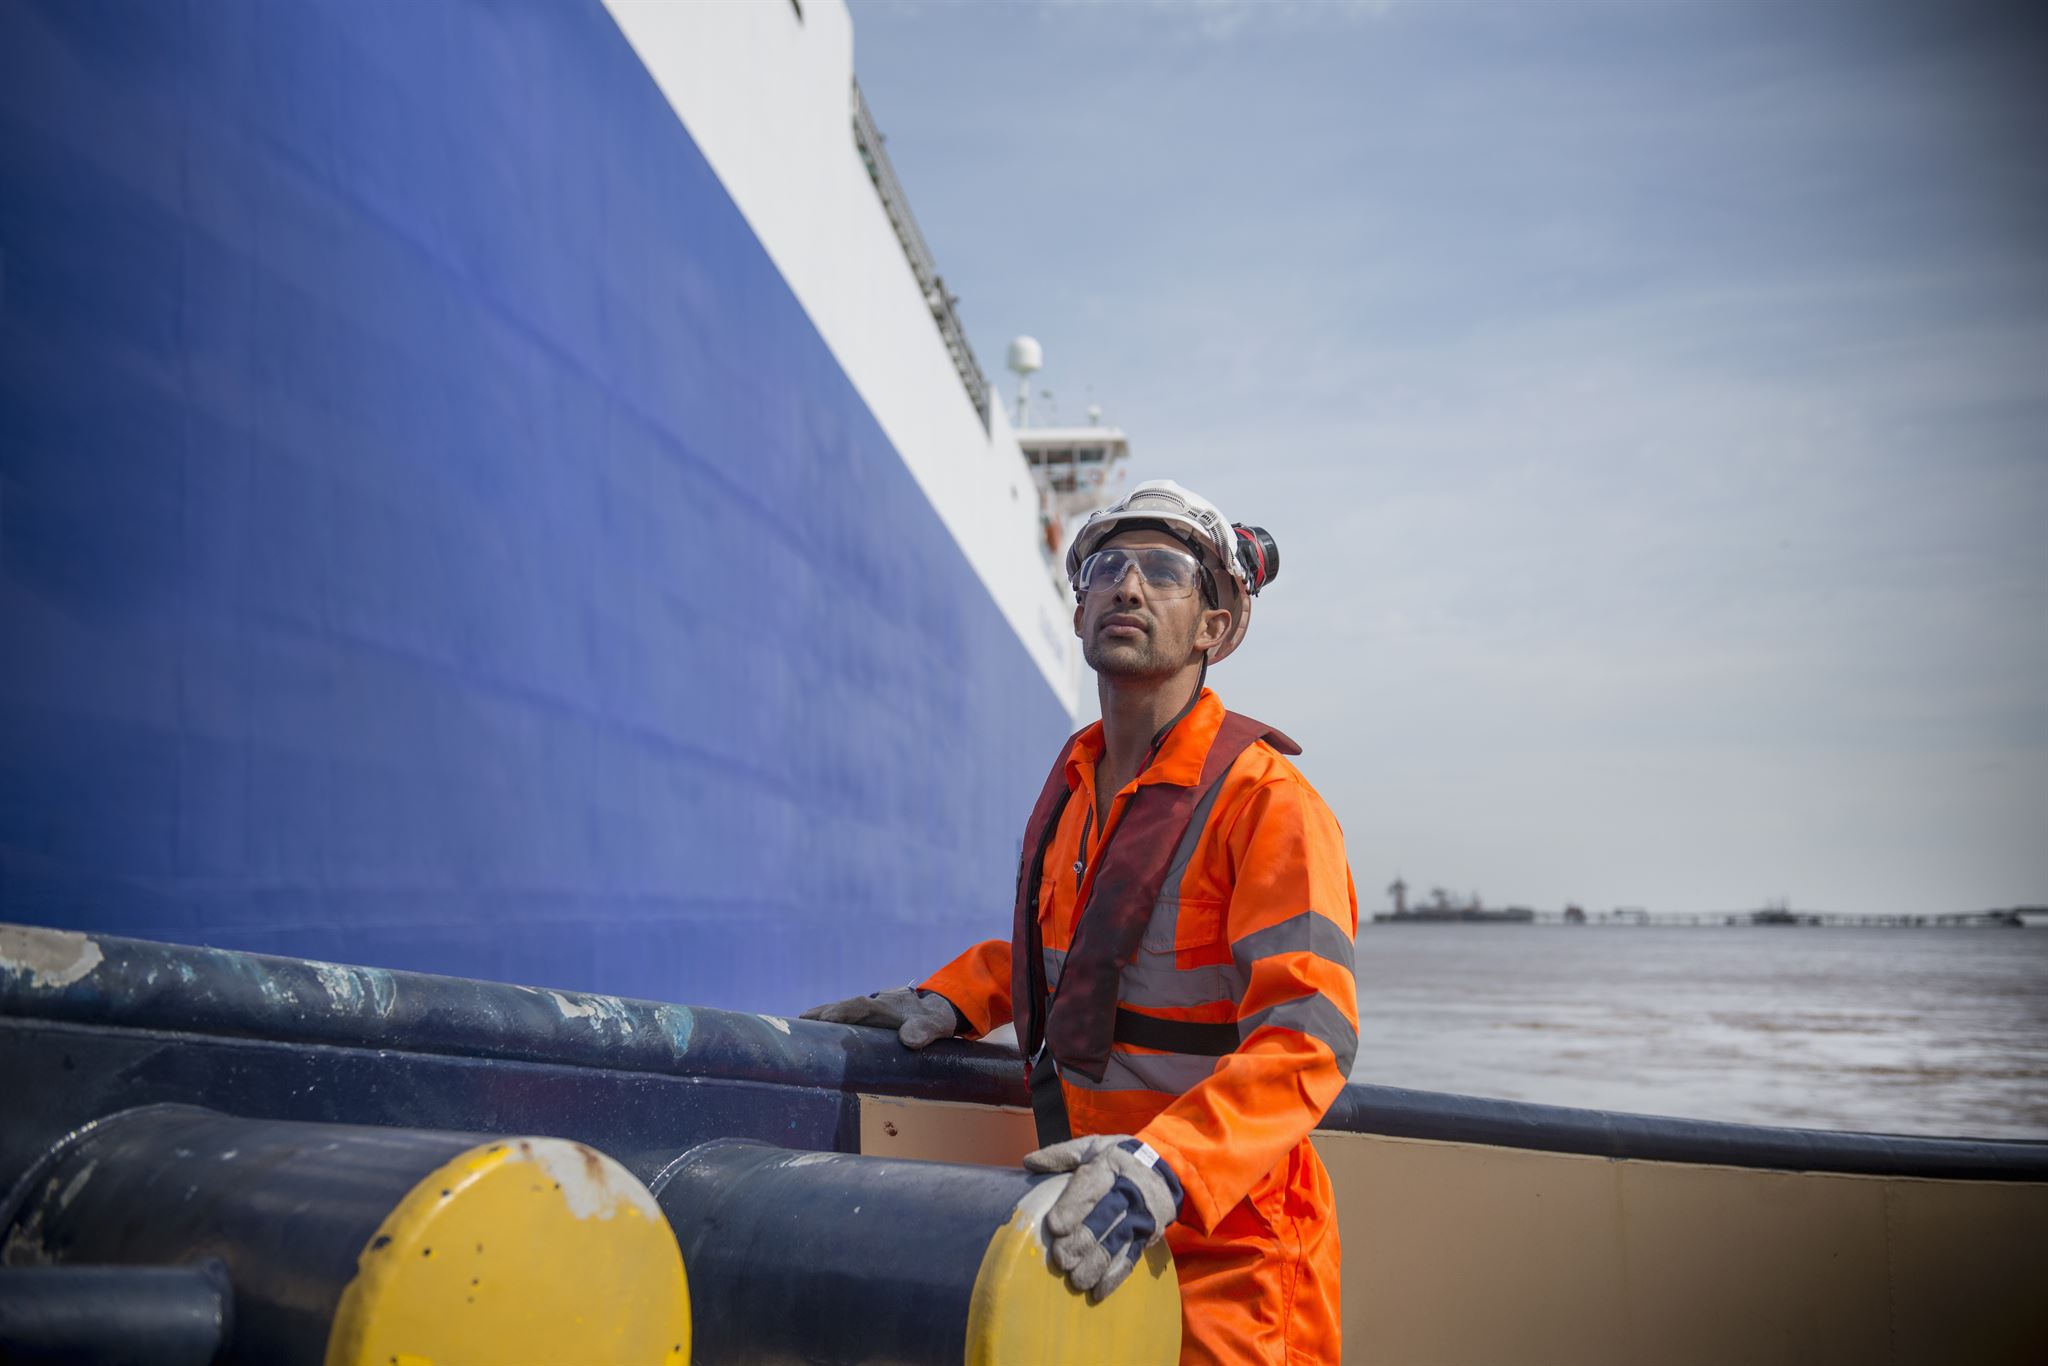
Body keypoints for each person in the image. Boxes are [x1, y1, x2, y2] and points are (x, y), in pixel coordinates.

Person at [804, 480, 1358, 1365]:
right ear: (1078, 613)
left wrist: (1163, 1171)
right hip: (1085, 1223)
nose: (1128, 587)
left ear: (1213, 628)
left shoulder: (1268, 806)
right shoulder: (1077, 791)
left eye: (1166, 572)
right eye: (1108, 568)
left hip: (1232, 1255)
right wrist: (955, 996)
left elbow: (1308, 1042)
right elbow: (1079, 957)